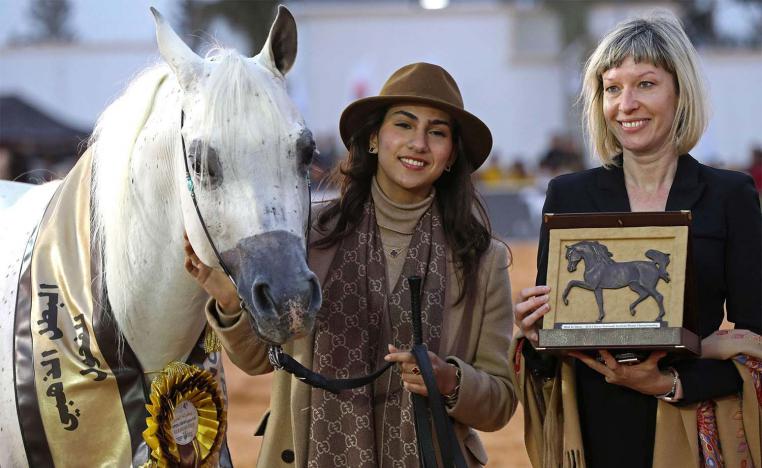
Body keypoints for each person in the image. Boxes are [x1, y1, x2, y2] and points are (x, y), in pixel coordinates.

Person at [185, 62, 517, 467]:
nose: (418, 143)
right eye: (404, 125)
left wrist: (449, 381)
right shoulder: (309, 236)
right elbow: (258, 360)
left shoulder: (483, 260)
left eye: (437, 132)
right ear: (374, 138)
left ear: (450, 156)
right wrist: (232, 306)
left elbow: (500, 402)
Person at [512, 14, 762, 468]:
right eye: (612, 88)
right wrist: (534, 335)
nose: (626, 104)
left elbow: (756, 345)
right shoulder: (568, 195)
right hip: (593, 429)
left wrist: (669, 383)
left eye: (645, 84)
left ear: (679, 92)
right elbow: (551, 351)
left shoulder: (730, 196)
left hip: (689, 426)